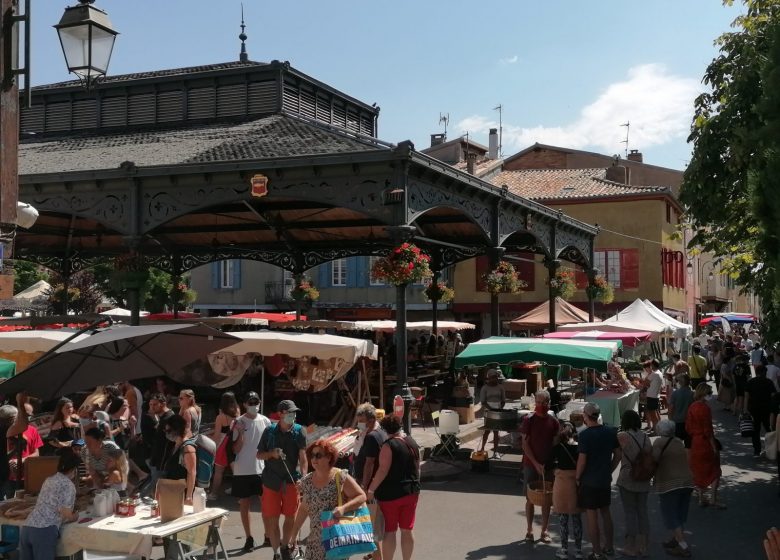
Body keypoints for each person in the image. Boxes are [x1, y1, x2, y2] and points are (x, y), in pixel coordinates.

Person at [292, 440, 367, 560]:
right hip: (314, 542)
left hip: (335, 540)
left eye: (318, 455)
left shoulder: (340, 476)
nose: (314, 459)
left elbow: (361, 496)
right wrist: (294, 534)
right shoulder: (307, 481)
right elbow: (304, 508)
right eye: (312, 455)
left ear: (329, 457)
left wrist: (343, 508)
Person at [257, 400, 308, 560]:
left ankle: (285, 546)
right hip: (271, 481)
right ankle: (276, 553)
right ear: (280, 414)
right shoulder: (269, 431)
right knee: (272, 519)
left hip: (291, 481)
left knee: (290, 516)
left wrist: (305, 478)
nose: (292, 415)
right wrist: (271, 454)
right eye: (289, 412)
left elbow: (303, 458)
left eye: (294, 412)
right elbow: (259, 454)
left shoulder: (300, 431)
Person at [367, 414, 421, 560]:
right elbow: (417, 467)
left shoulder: (388, 445)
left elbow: (382, 470)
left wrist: (371, 490)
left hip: (390, 494)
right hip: (411, 492)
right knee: (407, 529)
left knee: (390, 531)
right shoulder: (411, 442)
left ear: (384, 430)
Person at [576, 402, 621, 559]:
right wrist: (610, 469)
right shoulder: (610, 432)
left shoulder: (584, 435)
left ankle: (596, 551)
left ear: (586, 416)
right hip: (604, 479)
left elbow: (582, 461)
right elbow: (618, 454)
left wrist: (577, 477)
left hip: (589, 481)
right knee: (606, 512)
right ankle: (609, 547)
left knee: (591, 516)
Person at [19, 450, 81, 560]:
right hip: (44, 531)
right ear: (74, 469)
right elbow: (66, 512)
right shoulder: (68, 485)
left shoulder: (49, 480)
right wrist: (74, 517)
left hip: (27, 528)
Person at [232, 391, 272, 552]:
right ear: (244, 404)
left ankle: (268, 535)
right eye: (251, 402)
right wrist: (241, 432)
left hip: (261, 469)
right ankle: (249, 537)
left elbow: (269, 445)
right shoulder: (238, 422)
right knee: (244, 504)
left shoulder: (266, 421)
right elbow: (235, 449)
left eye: (256, 402)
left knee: (266, 504)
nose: (254, 405)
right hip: (242, 470)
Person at [520, 389, 559, 545]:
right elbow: (525, 444)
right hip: (531, 464)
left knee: (546, 500)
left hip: (548, 466)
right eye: (538, 402)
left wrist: (549, 463)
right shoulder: (528, 420)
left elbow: (555, 445)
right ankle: (529, 530)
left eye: (543, 403)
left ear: (548, 403)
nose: (540, 405)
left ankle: (544, 530)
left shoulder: (553, 422)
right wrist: (536, 464)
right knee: (529, 498)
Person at [652, 419, 694, 558]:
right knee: (680, 513)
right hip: (687, 481)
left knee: (670, 515)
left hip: (669, 483)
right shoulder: (678, 441)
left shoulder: (659, 442)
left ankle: (683, 545)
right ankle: (675, 539)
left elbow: (654, 460)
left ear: (660, 430)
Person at [353, 403, 387, 560]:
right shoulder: (374, 433)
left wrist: (365, 487)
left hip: (371, 487)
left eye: (363, 420)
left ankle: (377, 556)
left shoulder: (373, 436)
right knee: (373, 526)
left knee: (373, 528)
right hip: (374, 485)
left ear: (372, 419)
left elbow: (369, 463)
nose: (360, 423)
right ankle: (374, 555)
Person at [616, 410, 651, 557]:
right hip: (643, 477)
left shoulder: (622, 436)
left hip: (627, 477)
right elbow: (650, 455)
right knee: (642, 511)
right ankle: (643, 545)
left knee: (630, 512)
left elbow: (617, 454)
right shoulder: (645, 437)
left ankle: (630, 545)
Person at [685, 383, 724, 509]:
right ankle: (713, 498)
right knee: (715, 471)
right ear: (703, 393)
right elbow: (708, 431)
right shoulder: (705, 408)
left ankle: (701, 498)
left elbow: (688, 427)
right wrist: (714, 447)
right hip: (705, 442)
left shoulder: (692, 406)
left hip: (695, 442)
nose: (710, 395)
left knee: (699, 471)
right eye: (709, 393)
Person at [550, 421, 583, 560]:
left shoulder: (557, 448)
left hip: (561, 486)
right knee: (576, 519)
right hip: (575, 485)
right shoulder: (579, 448)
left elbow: (549, 464)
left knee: (563, 519)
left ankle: (564, 549)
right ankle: (578, 550)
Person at [6, 392, 43, 492]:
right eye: (25, 414)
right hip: (7, 476)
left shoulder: (33, 430)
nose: (28, 418)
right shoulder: (8, 429)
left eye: (30, 415)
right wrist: (10, 461)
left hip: (27, 476)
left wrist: (22, 460)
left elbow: (36, 453)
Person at [209, 391, 240, 500]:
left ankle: (213, 494)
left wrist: (209, 440)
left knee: (218, 471)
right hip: (235, 442)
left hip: (223, 444)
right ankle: (236, 490)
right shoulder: (238, 411)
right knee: (235, 470)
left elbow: (217, 435)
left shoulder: (220, 417)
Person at [161, 414, 196, 505]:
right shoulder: (176, 445)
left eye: (168, 430)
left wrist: (188, 496)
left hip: (181, 493)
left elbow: (191, 472)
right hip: (172, 490)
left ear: (176, 430)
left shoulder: (187, 448)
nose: (166, 433)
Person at [745, 364, 777, 457]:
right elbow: (773, 396)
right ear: (764, 372)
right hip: (767, 409)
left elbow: (746, 396)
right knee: (770, 429)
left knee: (755, 431)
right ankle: (771, 450)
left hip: (754, 409)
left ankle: (756, 451)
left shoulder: (750, 382)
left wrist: (745, 409)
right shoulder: (769, 382)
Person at [148, 393, 175, 493]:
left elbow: (171, 440)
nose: (152, 407)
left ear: (163, 404)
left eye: (154, 404)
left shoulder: (169, 418)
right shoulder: (163, 417)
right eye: (150, 405)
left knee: (157, 489)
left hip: (163, 460)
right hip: (157, 458)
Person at [479, 369, 507, 459]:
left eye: (495, 377)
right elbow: (483, 402)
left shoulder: (501, 387)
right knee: (487, 431)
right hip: (488, 412)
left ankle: (495, 451)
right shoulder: (485, 388)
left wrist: (500, 408)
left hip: (498, 411)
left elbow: (503, 400)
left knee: (496, 432)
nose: (494, 379)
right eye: (492, 377)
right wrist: (491, 409)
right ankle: (482, 448)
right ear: (489, 378)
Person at [83, 427, 121, 492]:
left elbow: (117, 468)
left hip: (114, 472)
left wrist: (107, 480)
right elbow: (92, 472)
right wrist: (100, 487)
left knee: (115, 474)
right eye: (86, 442)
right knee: (89, 480)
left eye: (90, 442)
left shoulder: (111, 447)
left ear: (99, 440)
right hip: (100, 474)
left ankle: (120, 492)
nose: (87, 445)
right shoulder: (85, 452)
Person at [668, 374, 694, 445]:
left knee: (677, 444)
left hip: (677, 422)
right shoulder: (692, 394)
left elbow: (671, 408)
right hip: (689, 422)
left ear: (679, 382)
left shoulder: (675, 393)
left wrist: (670, 419)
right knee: (689, 444)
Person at [641, 359, 663, 433]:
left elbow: (645, 383)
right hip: (655, 395)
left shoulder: (654, 374)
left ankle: (655, 430)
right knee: (656, 413)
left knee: (653, 415)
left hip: (652, 396)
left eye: (650, 365)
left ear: (653, 365)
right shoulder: (659, 373)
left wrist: (641, 379)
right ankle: (658, 428)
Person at [0, 405, 16, 499]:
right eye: (15, 418)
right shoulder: (4, 433)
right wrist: (17, 449)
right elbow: (3, 457)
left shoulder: (7, 431)